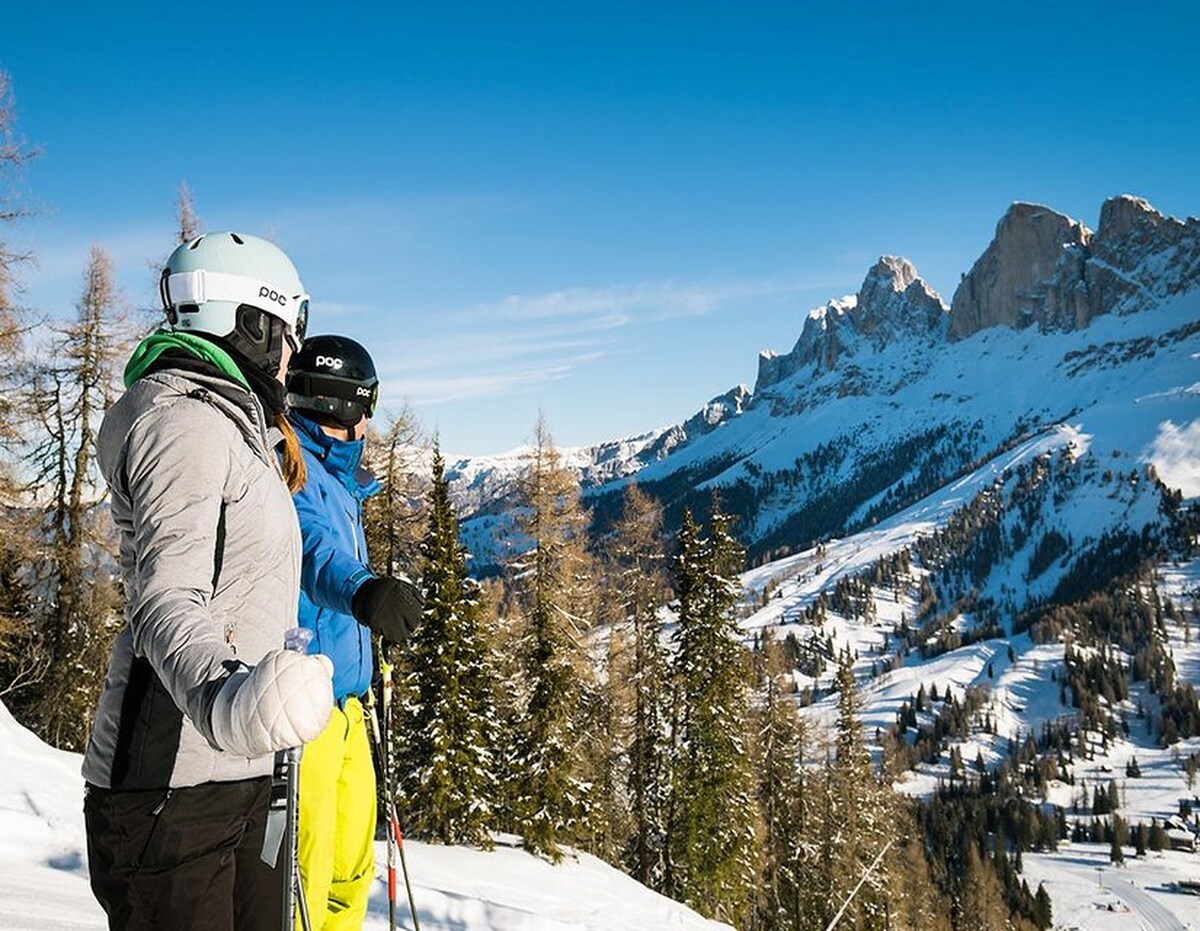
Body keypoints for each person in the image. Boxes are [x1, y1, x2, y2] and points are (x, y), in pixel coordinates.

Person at [82, 231, 336, 931]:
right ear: (249, 322)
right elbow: (165, 596)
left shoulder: (237, 426)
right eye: (288, 331)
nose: (293, 354)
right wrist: (228, 699)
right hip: (175, 785)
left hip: (243, 771)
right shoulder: (184, 423)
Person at [284, 334, 422, 929]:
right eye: (366, 405)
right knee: (306, 878)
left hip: (348, 709)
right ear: (341, 406)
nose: (369, 420)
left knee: (350, 872)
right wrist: (366, 592)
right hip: (306, 712)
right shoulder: (292, 468)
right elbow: (312, 552)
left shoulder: (340, 479)